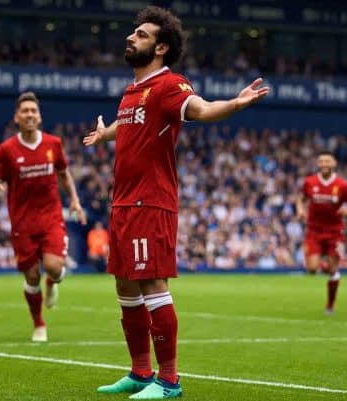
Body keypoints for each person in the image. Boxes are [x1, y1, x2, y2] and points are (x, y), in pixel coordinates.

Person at [83, 6, 268, 399]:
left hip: (150, 203)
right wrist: (105, 136)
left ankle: (168, 381)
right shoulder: (133, 90)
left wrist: (235, 103)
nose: (131, 37)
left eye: (142, 35)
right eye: (133, 32)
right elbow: (130, 122)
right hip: (122, 203)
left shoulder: (170, 85)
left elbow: (200, 110)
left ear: (161, 47)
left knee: (152, 283)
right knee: (125, 287)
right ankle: (139, 372)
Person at [0, 92, 86, 342]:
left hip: (50, 218)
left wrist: (74, 199)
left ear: (39, 117)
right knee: (31, 276)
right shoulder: (7, 150)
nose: (30, 114)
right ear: (17, 117)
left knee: (53, 268)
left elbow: (63, 173)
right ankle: (39, 324)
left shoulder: (53, 143)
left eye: (34, 111)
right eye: (25, 111)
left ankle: (53, 282)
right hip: (22, 223)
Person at [296, 151, 347, 314]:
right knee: (311, 269)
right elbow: (300, 198)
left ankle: (330, 305)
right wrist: (300, 210)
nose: (324, 164)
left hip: (335, 233)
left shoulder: (343, 185)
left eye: (327, 161)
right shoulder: (309, 182)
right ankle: (324, 266)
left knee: (332, 271)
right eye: (321, 161)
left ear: (334, 164)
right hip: (314, 231)